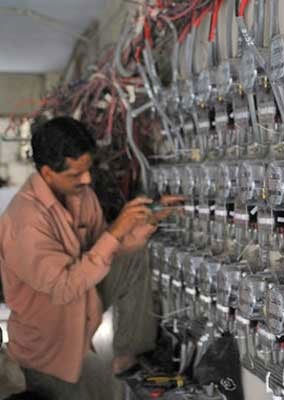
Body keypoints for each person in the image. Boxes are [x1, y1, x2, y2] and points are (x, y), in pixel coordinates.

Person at [0, 117, 180, 399]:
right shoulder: (25, 222)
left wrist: (145, 222)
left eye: (87, 170)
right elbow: (63, 288)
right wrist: (117, 229)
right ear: (47, 173)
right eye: (75, 175)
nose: (86, 179)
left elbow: (104, 251)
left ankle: (130, 357)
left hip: (81, 302)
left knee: (133, 257)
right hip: (48, 348)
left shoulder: (81, 195)